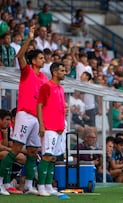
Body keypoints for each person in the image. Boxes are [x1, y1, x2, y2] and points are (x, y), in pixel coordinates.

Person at [0, 25, 47, 196]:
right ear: (33, 60)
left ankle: (27, 185)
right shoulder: (27, 71)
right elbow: (20, 55)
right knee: (16, 149)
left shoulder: (44, 77)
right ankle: (1, 183)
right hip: (25, 115)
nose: (43, 60)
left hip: (36, 117)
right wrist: (30, 37)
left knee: (33, 152)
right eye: (41, 58)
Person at [36, 62, 67, 196]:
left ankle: (48, 185)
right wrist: (41, 125)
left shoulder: (60, 88)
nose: (64, 72)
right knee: (47, 156)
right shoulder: (46, 86)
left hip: (59, 127)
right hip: (49, 127)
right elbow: (39, 105)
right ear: (54, 72)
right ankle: (40, 186)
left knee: (53, 157)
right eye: (62, 70)